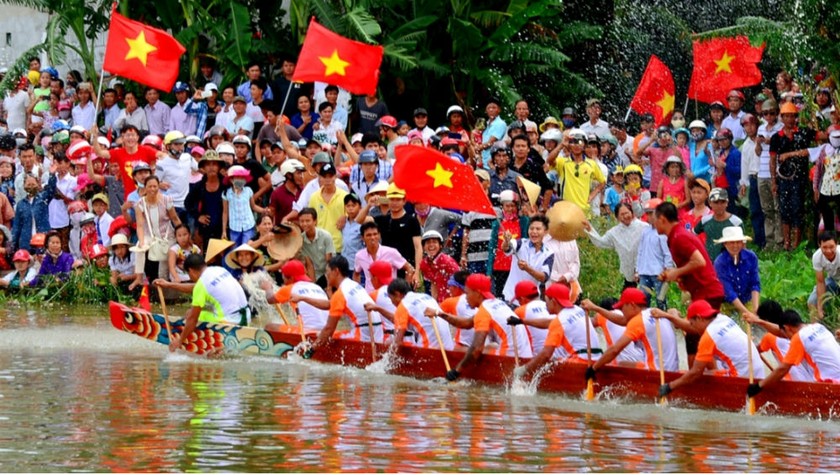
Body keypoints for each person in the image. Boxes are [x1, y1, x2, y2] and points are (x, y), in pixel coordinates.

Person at [654, 201, 725, 362]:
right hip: (701, 291)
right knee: (697, 339)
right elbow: (692, 265)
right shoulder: (674, 237)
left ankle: (704, 379)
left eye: (655, 219)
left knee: (697, 337)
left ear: (663, 219)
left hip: (707, 291)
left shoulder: (680, 237)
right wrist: (678, 276)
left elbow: (699, 262)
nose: (653, 223)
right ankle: (702, 377)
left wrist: (676, 272)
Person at [656, 300, 764, 399]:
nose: (693, 328)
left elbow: (695, 373)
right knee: (710, 371)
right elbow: (691, 327)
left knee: (703, 375)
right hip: (758, 372)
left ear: (699, 318)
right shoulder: (723, 319)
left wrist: (669, 386)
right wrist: (669, 316)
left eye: (692, 324)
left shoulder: (709, 336)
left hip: (743, 378)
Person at [433, 274, 532, 381]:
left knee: (461, 349)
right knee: (489, 347)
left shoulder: (484, 311)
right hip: (525, 356)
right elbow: (466, 323)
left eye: (467, 293)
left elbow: (476, 350)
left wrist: (456, 370)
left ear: (478, 293)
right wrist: (438, 313)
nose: (465, 297)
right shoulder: (496, 303)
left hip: (510, 360)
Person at [513, 283, 601, 379]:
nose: (545, 304)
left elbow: (546, 355)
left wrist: (524, 370)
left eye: (546, 300)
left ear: (554, 301)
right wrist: (522, 321)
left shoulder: (559, 322)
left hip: (582, 362)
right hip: (598, 359)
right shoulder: (577, 309)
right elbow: (549, 322)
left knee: (548, 366)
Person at [163, 254, 251, 352]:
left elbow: (193, 319)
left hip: (230, 322)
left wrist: (180, 340)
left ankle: (198, 340)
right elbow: (198, 287)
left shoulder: (201, 285)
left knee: (190, 315)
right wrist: (168, 285)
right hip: (246, 316)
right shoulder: (219, 270)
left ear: (191, 271)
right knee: (195, 314)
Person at [587, 287, 678, 380]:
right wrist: (595, 308)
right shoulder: (654, 312)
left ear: (632, 305)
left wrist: (593, 368)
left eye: (622, 308)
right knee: (623, 364)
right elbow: (623, 321)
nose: (621, 312)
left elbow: (615, 350)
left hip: (657, 375)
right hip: (672, 371)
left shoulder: (638, 321)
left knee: (620, 367)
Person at [746, 309, 840, 397]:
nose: (786, 338)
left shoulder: (799, 338)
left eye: (785, 334)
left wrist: (759, 386)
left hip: (830, 384)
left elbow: (783, 369)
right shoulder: (818, 326)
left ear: (787, 328)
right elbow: (781, 332)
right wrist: (759, 321)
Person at [308, 256, 384, 353]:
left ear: (336, 271)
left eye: (327, 272)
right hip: (377, 334)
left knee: (327, 337)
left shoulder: (340, 294)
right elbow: (329, 305)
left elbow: (328, 329)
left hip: (364, 337)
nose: (326, 276)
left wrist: (311, 350)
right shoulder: (354, 285)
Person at [770, 101, 815, 251]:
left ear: (796, 117)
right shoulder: (777, 137)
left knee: (797, 209)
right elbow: (772, 160)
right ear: (781, 118)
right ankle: (786, 244)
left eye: (792, 116)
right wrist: (773, 182)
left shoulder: (803, 133)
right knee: (785, 211)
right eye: (786, 116)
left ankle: (796, 244)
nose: (789, 119)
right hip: (783, 179)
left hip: (799, 179)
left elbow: (821, 137)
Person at [370, 278, 454, 350]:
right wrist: (378, 309)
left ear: (397, 294)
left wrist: (386, 364)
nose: (392, 303)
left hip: (430, 350)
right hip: (449, 348)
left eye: (391, 299)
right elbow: (395, 319)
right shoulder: (426, 296)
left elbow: (398, 343)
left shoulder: (403, 305)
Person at [583, 203, 648, 289]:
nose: (625, 216)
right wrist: (590, 230)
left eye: (627, 213)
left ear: (632, 213)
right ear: (617, 217)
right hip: (627, 274)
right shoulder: (614, 233)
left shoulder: (644, 227)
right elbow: (601, 242)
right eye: (622, 214)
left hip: (645, 272)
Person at [135, 176, 182, 283]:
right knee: (139, 248)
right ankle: (138, 278)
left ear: (158, 187)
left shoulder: (166, 200)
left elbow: (174, 218)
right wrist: (142, 242)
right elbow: (140, 226)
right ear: (145, 188)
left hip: (166, 235)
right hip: (149, 235)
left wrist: (182, 234)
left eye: (155, 186)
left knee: (164, 267)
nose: (152, 189)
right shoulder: (140, 204)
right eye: (149, 186)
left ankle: (164, 287)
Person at [372, 184, 422, 284]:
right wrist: (369, 204)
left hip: (406, 268)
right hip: (387, 268)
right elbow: (360, 220)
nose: (394, 203)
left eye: (398, 200)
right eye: (392, 199)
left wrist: (417, 272)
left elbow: (418, 247)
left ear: (404, 201)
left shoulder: (411, 220)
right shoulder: (383, 220)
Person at [262, 259, 329, 330]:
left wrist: (268, 288)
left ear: (291, 278)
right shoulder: (317, 287)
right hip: (326, 330)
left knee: (269, 327)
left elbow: (270, 299)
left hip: (308, 332)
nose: (283, 280)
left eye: (283, 276)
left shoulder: (290, 288)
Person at [549, 130, 606, 214]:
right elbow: (550, 160)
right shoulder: (563, 162)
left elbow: (603, 182)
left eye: (579, 142)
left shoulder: (591, 164)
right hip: (566, 209)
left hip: (584, 210)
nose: (576, 145)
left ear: (585, 145)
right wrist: (561, 145)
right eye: (573, 142)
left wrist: (591, 196)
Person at [501, 215, 554, 302]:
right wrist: (506, 241)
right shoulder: (521, 243)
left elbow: (543, 277)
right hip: (512, 297)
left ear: (545, 232)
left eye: (538, 229)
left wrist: (527, 268)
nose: (534, 232)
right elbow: (506, 248)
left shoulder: (549, 253)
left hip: (532, 300)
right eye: (531, 228)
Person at [636, 199, 674, 309]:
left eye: (651, 213)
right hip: (644, 271)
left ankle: (664, 323)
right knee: (643, 301)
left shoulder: (662, 232)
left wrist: (668, 270)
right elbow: (641, 251)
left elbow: (667, 253)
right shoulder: (645, 231)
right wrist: (637, 269)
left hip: (658, 272)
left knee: (660, 300)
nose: (649, 217)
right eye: (647, 213)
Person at [714, 226, 760, 315]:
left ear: (742, 243)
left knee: (747, 327)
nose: (735, 246)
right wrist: (747, 313)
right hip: (725, 303)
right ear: (725, 244)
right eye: (731, 242)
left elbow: (755, 283)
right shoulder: (720, 263)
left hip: (746, 300)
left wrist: (755, 308)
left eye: (738, 242)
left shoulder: (751, 257)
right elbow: (728, 292)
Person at [353, 221, 411, 292]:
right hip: (370, 296)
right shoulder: (359, 256)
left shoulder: (391, 252)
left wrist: (405, 290)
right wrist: (358, 291)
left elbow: (409, 268)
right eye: (369, 235)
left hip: (390, 296)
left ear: (379, 235)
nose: (372, 237)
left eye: (375, 234)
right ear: (362, 238)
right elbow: (356, 273)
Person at [694, 187, 743, 261]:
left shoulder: (736, 222)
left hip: (729, 262)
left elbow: (742, 245)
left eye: (722, 202)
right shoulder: (705, 220)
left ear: (727, 203)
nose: (719, 206)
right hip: (709, 262)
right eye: (716, 202)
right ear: (710, 203)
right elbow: (693, 235)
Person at [221, 165, 266, 246]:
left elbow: (253, 206)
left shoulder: (248, 191)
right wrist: (224, 231)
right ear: (231, 180)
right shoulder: (226, 194)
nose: (240, 180)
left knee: (248, 248)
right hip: (234, 228)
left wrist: (264, 210)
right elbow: (225, 213)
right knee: (235, 250)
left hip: (248, 225)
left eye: (242, 178)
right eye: (238, 178)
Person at [297, 207, 335, 287]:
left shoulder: (326, 236)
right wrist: (314, 286)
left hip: (329, 272)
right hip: (314, 273)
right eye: (302, 221)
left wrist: (329, 283)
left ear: (315, 221)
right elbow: (309, 264)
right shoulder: (300, 240)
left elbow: (330, 261)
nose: (304, 224)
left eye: (307, 221)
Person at [419, 230, 460, 302]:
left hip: (454, 299)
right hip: (441, 301)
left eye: (434, 242)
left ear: (440, 246)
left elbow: (459, 284)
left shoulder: (448, 262)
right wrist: (434, 303)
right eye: (428, 242)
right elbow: (433, 284)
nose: (431, 245)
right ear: (423, 247)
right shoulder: (424, 264)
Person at [808, 231, 840, 320]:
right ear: (819, 245)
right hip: (833, 280)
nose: (828, 251)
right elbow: (820, 282)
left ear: (836, 245)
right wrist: (819, 308)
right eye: (824, 247)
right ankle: (816, 327)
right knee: (812, 301)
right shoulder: (817, 257)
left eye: (831, 247)